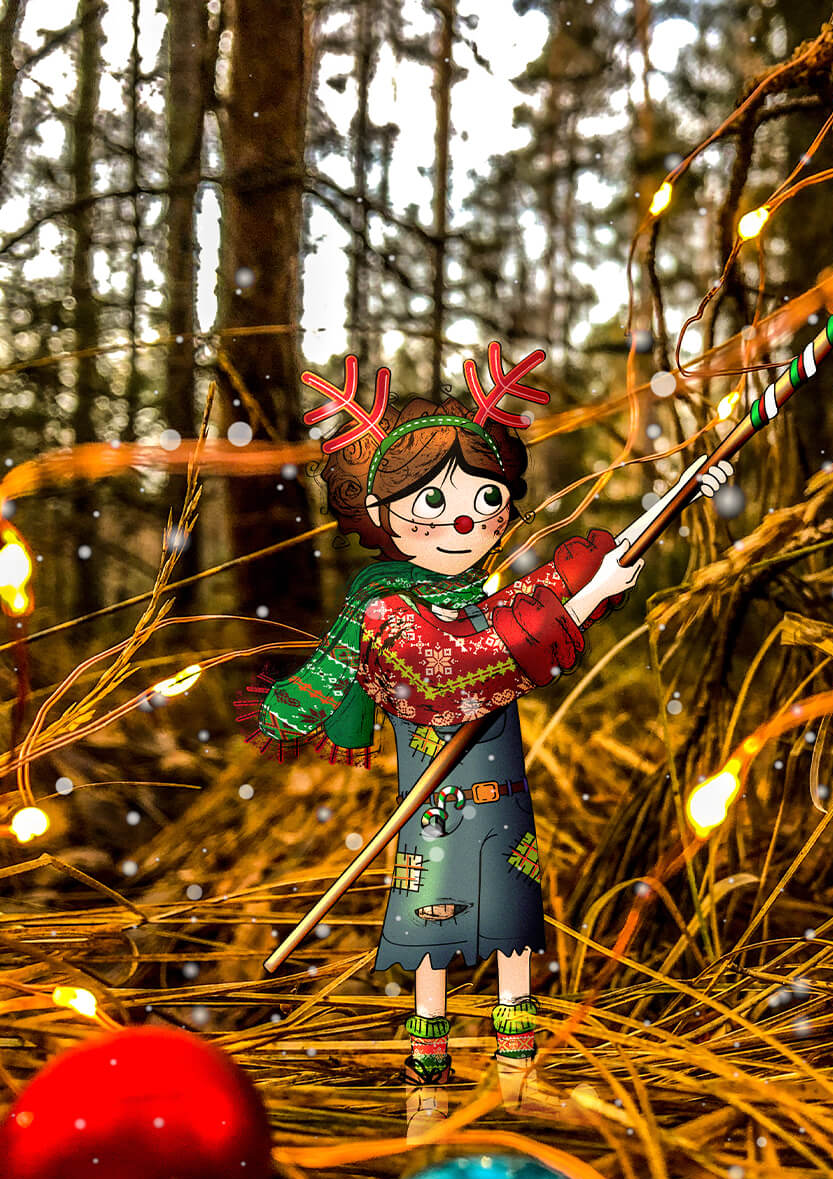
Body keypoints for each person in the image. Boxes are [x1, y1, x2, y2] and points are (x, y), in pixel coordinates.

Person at [240, 348, 731, 1086]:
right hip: (433, 815)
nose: (464, 519)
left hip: (505, 809)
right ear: (380, 515)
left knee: (511, 929)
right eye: (432, 503)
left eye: (485, 496)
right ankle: (428, 1065)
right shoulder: (387, 615)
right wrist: (584, 604)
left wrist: (677, 499)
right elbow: (453, 674)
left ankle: (516, 1064)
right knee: (430, 933)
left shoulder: (489, 600)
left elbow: (549, 593)